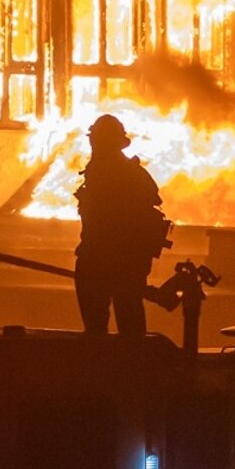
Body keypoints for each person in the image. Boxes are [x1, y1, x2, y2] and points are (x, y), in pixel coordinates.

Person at [73, 114, 169, 337]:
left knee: (105, 331)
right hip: (122, 263)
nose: (93, 144)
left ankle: (116, 369)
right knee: (130, 327)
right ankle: (130, 368)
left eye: (97, 139)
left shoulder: (110, 173)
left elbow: (111, 221)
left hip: (108, 261)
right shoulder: (127, 172)